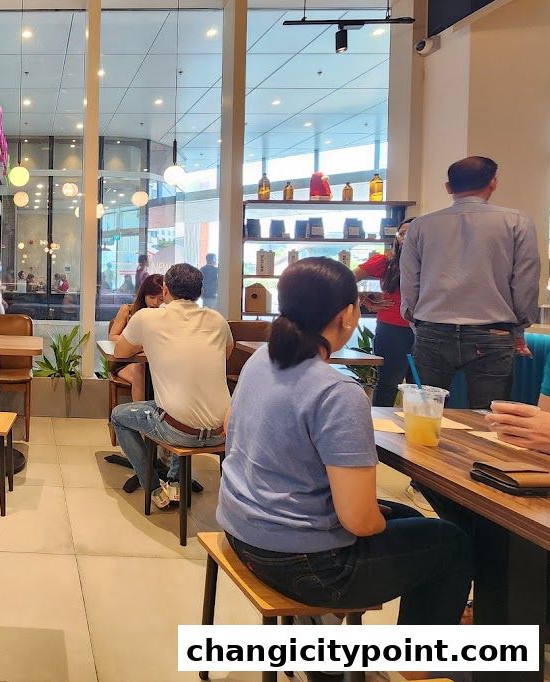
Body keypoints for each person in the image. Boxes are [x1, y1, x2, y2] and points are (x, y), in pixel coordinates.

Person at [217, 258, 472, 626]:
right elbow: (358, 521)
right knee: (451, 542)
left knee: (409, 518)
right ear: (348, 315)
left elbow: (229, 428)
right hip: (302, 562)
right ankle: (421, 665)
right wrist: (372, 519)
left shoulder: (261, 358)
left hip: (241, 531)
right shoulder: (337, 391)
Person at [401, 156, 540, 410]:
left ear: (448, 187)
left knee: (423, 415)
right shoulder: (516, 221)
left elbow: (410, 283)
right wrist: (519, 327)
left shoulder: (420, 226)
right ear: (493, 182)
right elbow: (526, 282)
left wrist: (415, 321)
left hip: (432, 329)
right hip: (494, 332)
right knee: (487, 420)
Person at [111, 264, 233, 510]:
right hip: (223, 432)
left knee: (119, 416)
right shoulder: (218, 320)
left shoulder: (148, 317)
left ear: (165, 289)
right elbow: (226, 354)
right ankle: (176, 481)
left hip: (179, 431)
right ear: (199, 292)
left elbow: (120, 352)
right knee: (182, 405)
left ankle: (154, 488)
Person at [353, 217, 415, 406]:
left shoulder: (433, 262)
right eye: (402, 233)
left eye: (411, 233)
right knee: (388, 382)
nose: (405, 237)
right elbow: (345, 278)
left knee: (420, 385)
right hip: (391, 328)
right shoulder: (385, 261)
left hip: (426, 329)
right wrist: (368, 304)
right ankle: (380, 429)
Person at [108, 274, 164, 401]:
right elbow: (112, 336)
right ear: (143, 295)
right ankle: (139, 415)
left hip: (155, 363)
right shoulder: (128, 310)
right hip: (126, 361)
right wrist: (136, 346)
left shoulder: (165, 315)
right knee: (141, 370)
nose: (155, 303)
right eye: (151, 297)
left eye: (160, 299)